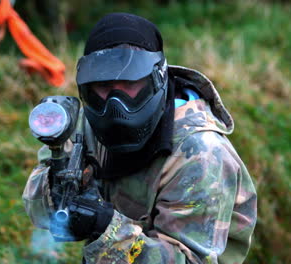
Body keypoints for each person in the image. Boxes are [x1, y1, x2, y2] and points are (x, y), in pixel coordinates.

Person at [23, 13, 257, 264]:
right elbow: (38, 209)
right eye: (103, 86)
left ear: (156, 78)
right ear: (87, 89)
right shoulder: (83, 123)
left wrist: (105, 228)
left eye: (129, 84)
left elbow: (189, 260)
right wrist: (62, 191)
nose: (115, 104)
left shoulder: (201, 154)